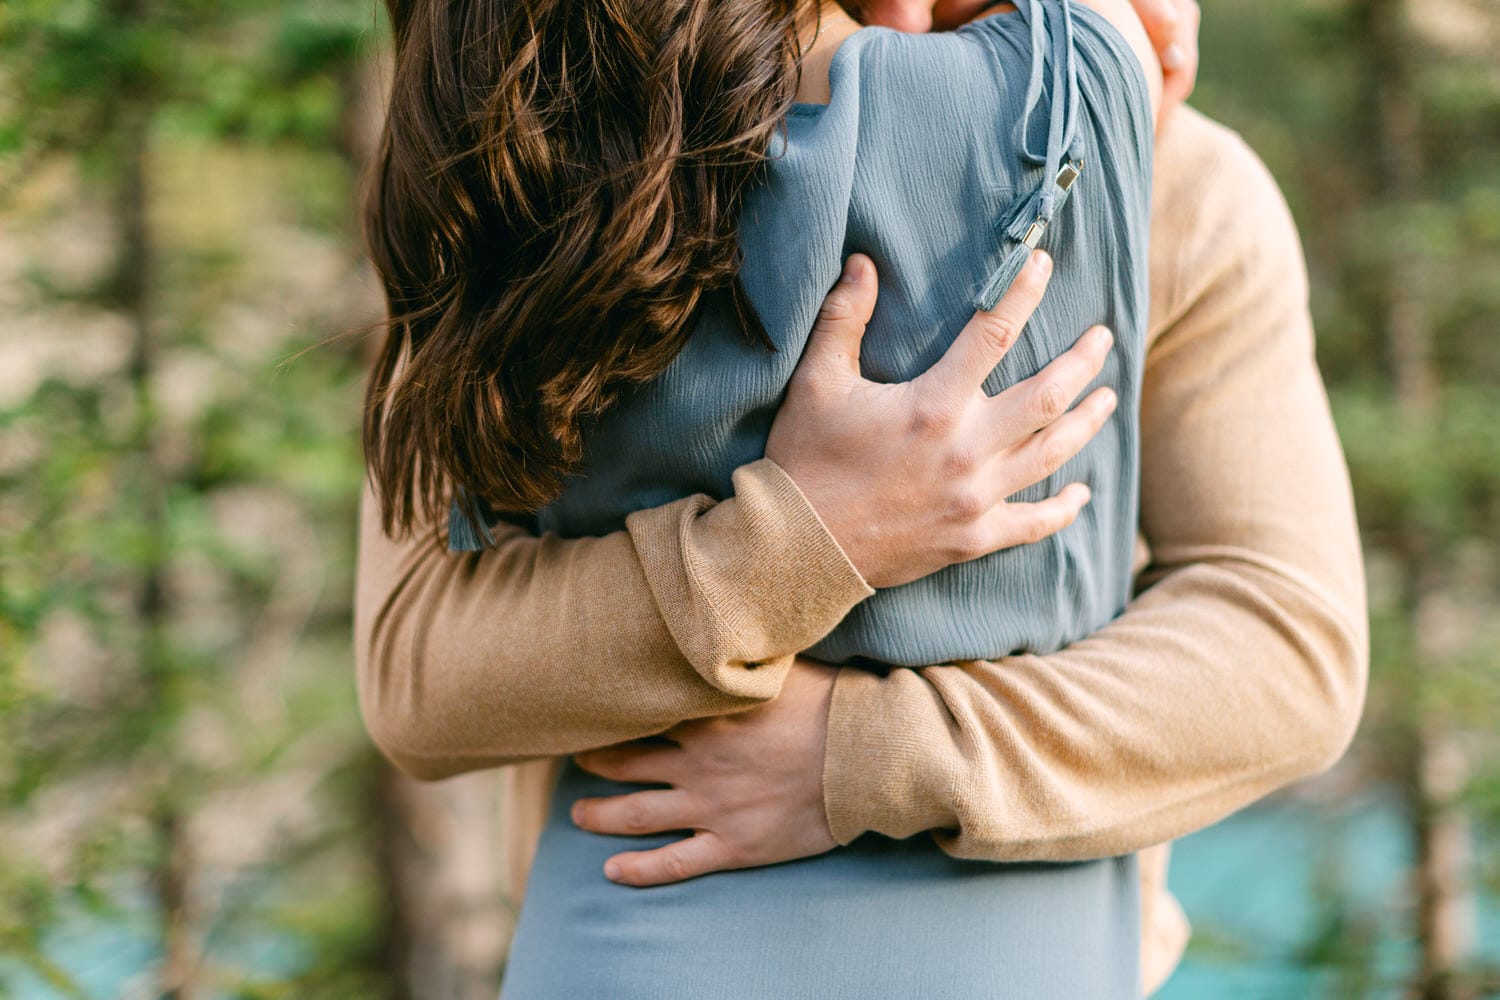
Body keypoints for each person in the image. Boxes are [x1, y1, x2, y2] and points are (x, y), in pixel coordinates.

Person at [355, 0, 1368, 996]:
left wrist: (861, 754)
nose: (900, 18)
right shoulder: (557, 166)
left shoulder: (1174, 181)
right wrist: (801, 540)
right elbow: (418, 659)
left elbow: (1286, 645)